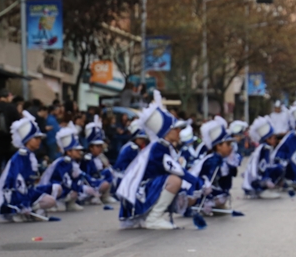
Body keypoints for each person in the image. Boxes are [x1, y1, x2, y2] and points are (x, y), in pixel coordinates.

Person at [117, 91, 202, 230]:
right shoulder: (158, 148)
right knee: (175, 180)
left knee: (176, 182)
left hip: (146, 189)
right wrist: (198, 182)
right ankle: (153, 218)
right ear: (168, 132)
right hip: (140, 193)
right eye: (176, 129)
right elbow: (177, 171)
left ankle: (151, 216)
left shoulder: (163, 146)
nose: (179, 132)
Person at [0, 110, 58, 221]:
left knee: (54, 192)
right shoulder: (20, 157)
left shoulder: (30, 155)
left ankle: (32, 210)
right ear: (27, 140)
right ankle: (21, 211)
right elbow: (16, 183)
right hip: (15, 196)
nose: (39, 141)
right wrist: (23, 203)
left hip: (28, 191)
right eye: (36, 138)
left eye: (39, 139)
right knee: (49, 200)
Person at [189, 117, 236, 214]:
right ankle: (203, 204)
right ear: (218, 146)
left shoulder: (222, 158)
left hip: (211, 189)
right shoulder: (212, 160)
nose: (230, 147)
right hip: (200, 191)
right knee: (222, 197)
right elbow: (204, 179)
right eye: (227, 144)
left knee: (224, 194)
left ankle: (214, 204)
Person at [37, 124, 86, 212]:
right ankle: (53, 203)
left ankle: (70, 203)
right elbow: (57, 180)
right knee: (57, 187)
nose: (80, 152)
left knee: (79, 180)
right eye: (77, 150)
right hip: (52, 188)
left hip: (64, 188)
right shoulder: (61, 162)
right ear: (69, 152)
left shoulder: (73, 162)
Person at [273, 100, 296, 190]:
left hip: (290, 165)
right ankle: (288, 181)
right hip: (282, 165)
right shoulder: (293, 137)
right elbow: (292, 159)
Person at [242, 116, 282, 199]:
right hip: (255, 181)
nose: (275, 140)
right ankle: (261, 190)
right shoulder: (264, 149)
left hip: (256, 179)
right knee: (279, 168)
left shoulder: (265, 148)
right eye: (273, 138)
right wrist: (265, 180)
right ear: (267, 139)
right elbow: (262, 167)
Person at [79, 115, 116, 204]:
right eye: (97, 146)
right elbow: (86, 176)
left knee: (109, 172)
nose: (100, 148)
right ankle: (93, 197)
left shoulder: (99, 157)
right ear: (91, 147)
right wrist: (98, 180)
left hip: (96, 179)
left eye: (100, 146)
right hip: (89, 182)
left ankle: (105, 196)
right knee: (103, 182)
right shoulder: (87, 158)